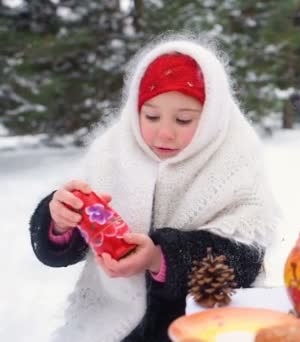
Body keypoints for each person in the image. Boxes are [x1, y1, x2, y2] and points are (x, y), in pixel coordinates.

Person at [28, 34, 279, 341]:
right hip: (113, 328)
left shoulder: (234, 161)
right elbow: (62, 252)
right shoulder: (112, 154)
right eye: (151, 116)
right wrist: (59, 221)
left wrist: (161, 256)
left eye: (184, 120)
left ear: (213, 118)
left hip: (199, 325)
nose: (164, 133)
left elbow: (244, 261)